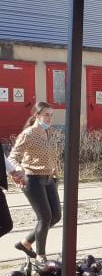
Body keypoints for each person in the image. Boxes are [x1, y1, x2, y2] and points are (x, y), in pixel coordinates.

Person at [8, 102, 61, 261]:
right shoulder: (28, 134)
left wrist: (55, 174)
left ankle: (25, 243)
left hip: (49, 178)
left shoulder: (48, 132)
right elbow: (13, 157)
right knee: (44, 218)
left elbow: (51, 156)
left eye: (51, 115)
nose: (49, 118)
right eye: (46, 114)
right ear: (36, 115)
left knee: (56, 216)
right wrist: (18, 171)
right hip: (32, 179)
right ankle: (41, 256)